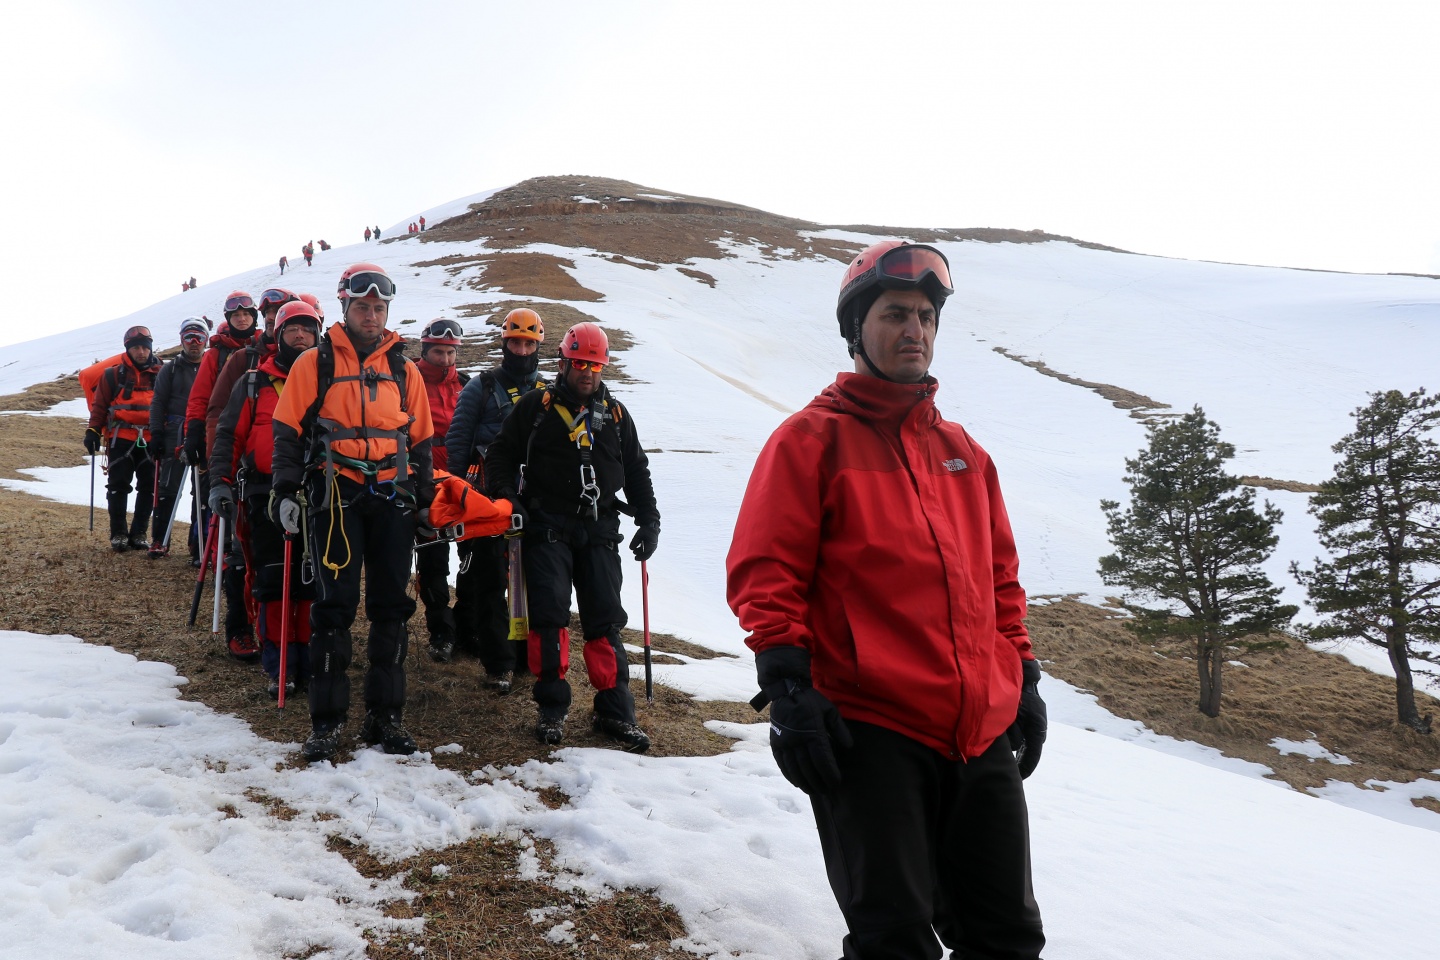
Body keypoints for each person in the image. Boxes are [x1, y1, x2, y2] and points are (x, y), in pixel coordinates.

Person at [725, 241, 1048, 960]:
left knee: (1009, 937)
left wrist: (1021, 675)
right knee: (894, 941)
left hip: (979, 730)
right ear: (856, 331)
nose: (916, 330)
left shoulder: (964, 452)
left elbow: (998, 579)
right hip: (870, 729)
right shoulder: (811, 440)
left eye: (928, 316)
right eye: (896, 313)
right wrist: (788, 688)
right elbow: (765, 568)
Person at [270, 262, 436, 762]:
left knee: (392, 608)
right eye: (362, 306)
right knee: (334, 609)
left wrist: (424, 502)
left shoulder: (404, 369)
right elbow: (287, 435)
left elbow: (423, 441)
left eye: (379, 307)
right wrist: (283, 491)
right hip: (334, 498)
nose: (371, 315)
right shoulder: (314, 364)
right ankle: (327, 721)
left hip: (392, 499)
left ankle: (386, 717)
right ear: (345, 306)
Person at [484, 322, 659, 751]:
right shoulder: (536, 406)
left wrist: (649, 518)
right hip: (546, 525)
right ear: (563, 362)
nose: (587, 373)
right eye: (580, 363)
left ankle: (615, 712)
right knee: (549, 618)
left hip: (599, 528)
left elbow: (636, 469)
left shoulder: (616, 415)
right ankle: (551, 708)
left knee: (604, 621)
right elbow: (500, 455)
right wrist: (509, 499)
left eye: (595, 366)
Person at [210, 301, 322, 699]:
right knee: (274, 581)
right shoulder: (254, 381)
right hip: (263, 492)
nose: (299, 335)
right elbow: (228, 434)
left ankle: (310, 661)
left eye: (307, 329)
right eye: (292, 328)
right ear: (278, 334)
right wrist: (219, 483)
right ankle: (280, 665)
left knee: (312, 584)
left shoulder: (330, 381)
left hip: (322, 495)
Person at [445, 307, 548, 684]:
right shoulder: (482, 386)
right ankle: (498, 662)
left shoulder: (549, 392)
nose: (521, 350)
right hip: (486, 495)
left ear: (537, 345)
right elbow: (459, 440)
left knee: (532, 579)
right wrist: (456, 491)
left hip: (534, 499)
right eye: (515, 342)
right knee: (489, 578)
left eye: (528, 343)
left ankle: (524, 657)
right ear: (504, 342)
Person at [184, 290, 261, 661]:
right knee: (236, 543)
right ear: (228, 318)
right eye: (237, 314)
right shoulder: (218, 354)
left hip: (267, 453)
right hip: (232, 447)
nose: (243, 319)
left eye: (248, 313)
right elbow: (204, 401)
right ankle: (239, 626)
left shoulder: (274, 349)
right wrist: (197, 437)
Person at [411, 319, 467, 662]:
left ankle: (468, 628)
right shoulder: (408, 378)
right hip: (422, 483)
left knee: (471, 561)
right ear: (425, 350)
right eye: (437, 351)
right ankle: (441, 633)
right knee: (432, 563)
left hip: (461, 483)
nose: (444, 359)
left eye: (450, 352)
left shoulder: (466, 384)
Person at [85, 326, 161, 552]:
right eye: (136, 348)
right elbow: (99, 407)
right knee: (118, 486)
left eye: (144, 348)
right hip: (121, 438)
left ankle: (139, 533)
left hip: (150, 439)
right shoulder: (112, 374)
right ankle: (118, 533)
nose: (141, 352)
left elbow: (168, 404)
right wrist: (93, 431)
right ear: (128, 349)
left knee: (148, 487)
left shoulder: (162, 373)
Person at [147, 316, 208, 560]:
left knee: (201, 491)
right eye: (189, 337)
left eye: (199, 337)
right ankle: (160, 540)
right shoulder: (170, 369)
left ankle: (198, 545)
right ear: (181, 340)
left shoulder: (212, 366)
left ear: (206, 340)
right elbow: (157, 403)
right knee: (168, 488)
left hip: (202, 433)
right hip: (174, 432)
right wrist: (157, 434)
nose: (194, 343)